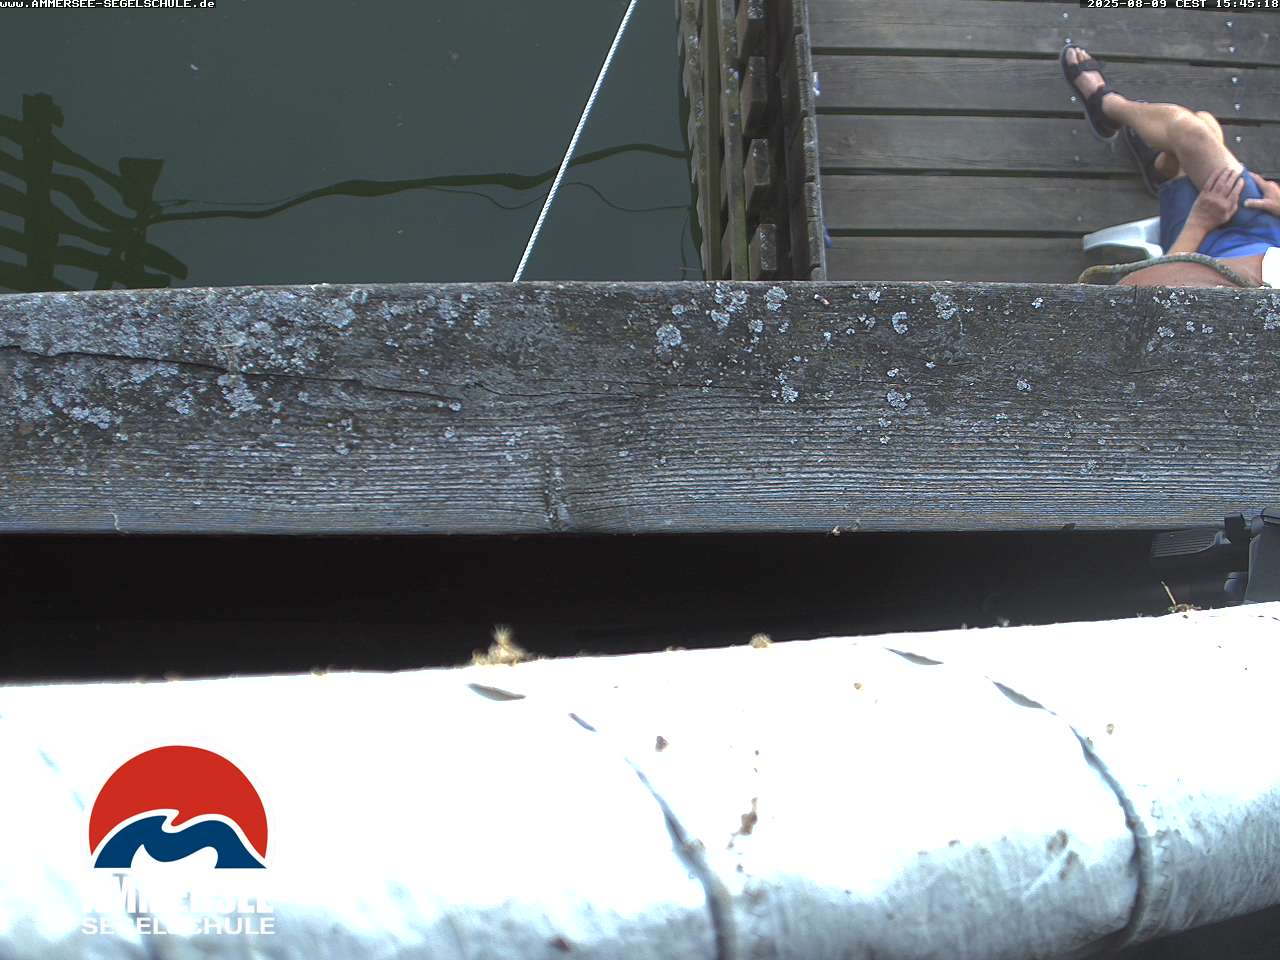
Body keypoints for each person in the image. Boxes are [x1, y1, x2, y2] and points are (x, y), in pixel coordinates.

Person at [1062, 43, 1280, 288]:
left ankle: (1108, 105)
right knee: (1202, 125)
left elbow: (1147, 287)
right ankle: (1160, 167)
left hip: (1201, 248)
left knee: (1193, 129)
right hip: (1270, 231)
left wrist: (1200, 221)